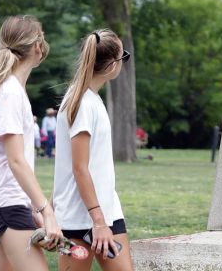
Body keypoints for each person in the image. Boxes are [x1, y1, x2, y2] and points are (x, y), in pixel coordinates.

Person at [0, 15, 62, 270]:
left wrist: (31, 209)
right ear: (37, 47)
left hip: (2, 203)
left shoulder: (9, 89)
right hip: (6, 204)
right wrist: (46, 212)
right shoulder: (10, 92)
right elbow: (15, 161)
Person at [53, 30, 133, 269]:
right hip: (80, 218)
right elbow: (79, 168)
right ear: (112, 65)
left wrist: (102, 219)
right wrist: (98, 222)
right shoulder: (83, 103)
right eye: (124, 57)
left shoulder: (91, 100)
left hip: (107, 211)